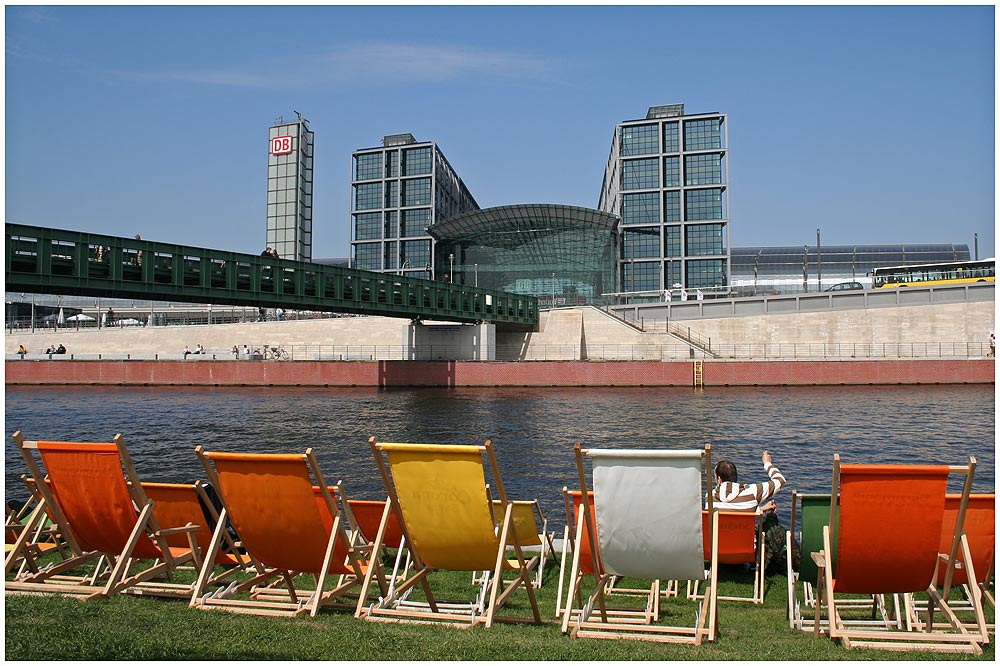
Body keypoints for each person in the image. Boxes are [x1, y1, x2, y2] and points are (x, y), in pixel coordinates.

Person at [712, 450, 793, 574]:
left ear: (718, 479)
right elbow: (780, 481)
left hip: (716, 551)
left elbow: (730, 512)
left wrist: (759, 509)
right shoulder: (752, 492)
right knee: (770, 522)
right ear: (735, 477)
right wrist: (767, 463)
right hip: (746, 552)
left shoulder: (710, 497)